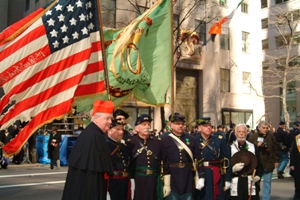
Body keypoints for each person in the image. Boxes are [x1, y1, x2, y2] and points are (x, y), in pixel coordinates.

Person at [62, 100, 114, 200]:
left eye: (110, 119)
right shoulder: (95, 135)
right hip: (90, 185)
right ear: (96, 118)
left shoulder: (93, 133)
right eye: (107, 118)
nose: (110, 122)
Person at [160, 113, 205, 200]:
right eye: (177, 124)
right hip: (172, 176)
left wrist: (202, 176)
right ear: (171, 125)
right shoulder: (164, 140)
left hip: (187, 176)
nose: (180, 126)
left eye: (182, 124)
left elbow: (198, 159)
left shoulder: (191, 139)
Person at [127, 114, 170, 200]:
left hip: (155, 179)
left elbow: (165, 162)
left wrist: (167, 184)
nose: (147, 127)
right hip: (138, 180)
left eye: (148, 124)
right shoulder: (131, 143)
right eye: (144, 125)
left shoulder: (158, 142)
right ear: (136, 128)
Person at [194, 117, 231, 200]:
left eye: (210, 126)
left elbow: (227, 160)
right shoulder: (194, 140)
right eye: (205, 126)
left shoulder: (219, 139)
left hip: (216, 172)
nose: (209, 127)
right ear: (199, 128)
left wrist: (228, 179)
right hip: (200, 172)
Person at [230, 123, 263, 200]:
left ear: (247, 133)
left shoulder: (253, 147)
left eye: (243, 132)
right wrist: (232, 169)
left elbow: (260, 165)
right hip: (236, 181)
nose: (241, 133)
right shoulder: (229, 147)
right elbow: (225, 166)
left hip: (250, 181)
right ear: (235, 133)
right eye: (239, 131)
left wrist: (258, 176)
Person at [248, 120, 279, 200]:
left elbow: (276, 148)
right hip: (257, 164)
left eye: (267, 128)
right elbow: (248, 148)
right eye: (263, 128)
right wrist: (256, 145)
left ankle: (266, 198)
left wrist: (276, 160)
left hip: (269, 162)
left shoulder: (271, 136)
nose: (265, 129)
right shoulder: (253, 136)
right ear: (259, 128)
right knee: (256, 183)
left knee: (267, 183)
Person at [107, 119, 131, 200]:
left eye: (122, 129)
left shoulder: (124, 145)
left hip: (124, 180)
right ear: (109, 131)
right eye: (118, 129)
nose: (121, 132)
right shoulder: (106, 145)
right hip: (113, 180)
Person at [290, 130, 300, 200]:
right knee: (298, 179)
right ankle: (297, 193)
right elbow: (292, 151)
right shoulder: (297, 138)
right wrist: (292, 163)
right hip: (297, 162)